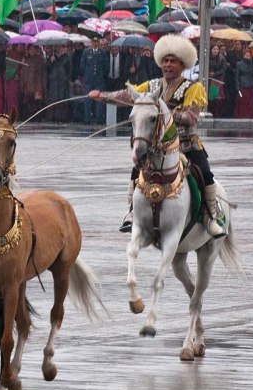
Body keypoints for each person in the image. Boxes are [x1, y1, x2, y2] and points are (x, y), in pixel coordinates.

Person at [88, 34, 226, 238]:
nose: (168, 65)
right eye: (165, 61)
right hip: (157, 147)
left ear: (182, 65)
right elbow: (127, 96)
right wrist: (103, 96)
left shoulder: (193, 88)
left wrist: (167, 114)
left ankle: (211, 215)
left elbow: (191, 117)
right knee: (137, 171)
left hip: (185, 144)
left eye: (173, 61)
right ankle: (132, 213)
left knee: (205, 173)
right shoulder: (151, 86)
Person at [79, 35, 108, 124]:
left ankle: (99, 119)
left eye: (97, 42)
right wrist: (86, 76)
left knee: (99, 100)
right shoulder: (86, 52)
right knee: (87, 100)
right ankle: (88, 119)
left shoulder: (102, 52)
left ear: (99, 43)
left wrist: (102, 76)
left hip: (99, 80)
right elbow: (82, 66)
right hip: (88, 80)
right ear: (91, 43)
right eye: (94, 42)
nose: (95, 43)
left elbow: (106, 67)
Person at [46, 45, 72, 122]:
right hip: (53, 82)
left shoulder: (67, 57)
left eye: (60, 47)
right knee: (53, 99)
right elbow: (47, 68)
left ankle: (63, 117)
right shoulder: (52, 56)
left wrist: (66, 78)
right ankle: (53, 117)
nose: (58, 49)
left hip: (63, 82)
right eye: (57, 47)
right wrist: (50, 62)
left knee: (62, 99)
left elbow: (70, 70)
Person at [233, 50, 253, 119]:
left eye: (249, 56)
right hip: (242, 87)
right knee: (242, 105)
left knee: (250, 105)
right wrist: (237, 88)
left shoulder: (252, 65)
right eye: (247, 55)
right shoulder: (239, 64)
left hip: (251, 86)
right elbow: (237, 77)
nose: (248, 57)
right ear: (243, 56)